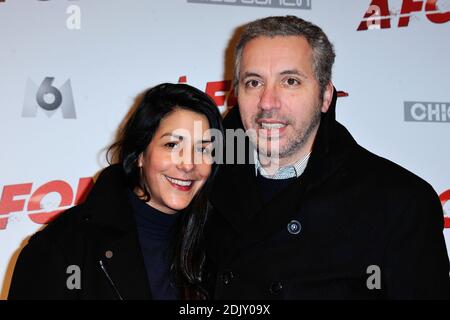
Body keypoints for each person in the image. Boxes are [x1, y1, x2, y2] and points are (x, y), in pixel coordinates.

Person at [204, 16, 450, 299]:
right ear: (237, 92)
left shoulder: (401, 202)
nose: (268, 102)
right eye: (254, 82)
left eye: (290, 81)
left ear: (325, 96)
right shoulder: (201, 183)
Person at [8, 83, 223, 300]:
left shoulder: (219, 246)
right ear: (140, 153)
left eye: (202, 149)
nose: (188, 164)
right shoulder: (63, 246)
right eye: (171, 145)